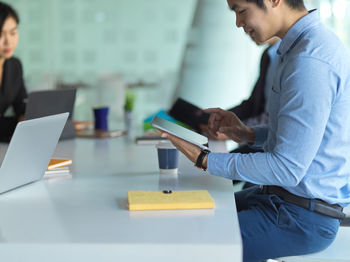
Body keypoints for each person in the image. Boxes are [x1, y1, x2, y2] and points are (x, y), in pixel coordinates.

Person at [161, 0, 350, 261]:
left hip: (302, 217)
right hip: (280, 199)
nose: (238, 22)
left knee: (191, 244)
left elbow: (287, 167)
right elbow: (299, 138)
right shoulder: (296, 49)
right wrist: (247, 133)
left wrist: (205, 159)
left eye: (240, 10)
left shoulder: (310, 60)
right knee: (187, 216)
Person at [0, 2, 27, 141]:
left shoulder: (14, 65)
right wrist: (17, 125)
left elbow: (22, 108)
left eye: (13, 33)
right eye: (0, 34)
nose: (8, 41)